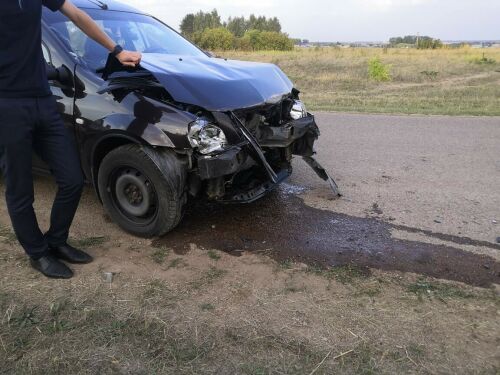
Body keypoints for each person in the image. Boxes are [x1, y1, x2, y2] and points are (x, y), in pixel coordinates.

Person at [0, 0, 141, 279]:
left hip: (43, 99)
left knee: (73, 179)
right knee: (20, 188)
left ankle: (57, 241)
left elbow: (76, 14)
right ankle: (38, 254)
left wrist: (117, 50)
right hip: (7, 104)